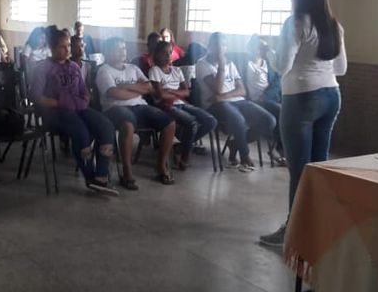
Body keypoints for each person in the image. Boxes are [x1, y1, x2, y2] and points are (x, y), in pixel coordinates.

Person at [259, 0, 347, 247]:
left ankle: (293, 231)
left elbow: (282, 66)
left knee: (299, 170)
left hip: (301, 99)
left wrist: (266, 51)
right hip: (331, 97)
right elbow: (341, 68)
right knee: (318, 167)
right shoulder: (334, 25)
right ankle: (316, 227)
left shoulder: (296, 22)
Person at [31, 29, 118, 195]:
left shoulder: (74, 67)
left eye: (69, 46)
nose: (67, 50)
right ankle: (90, 178)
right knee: (81, 131)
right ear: (52, 48)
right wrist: (59, 102)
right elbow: (35, 96)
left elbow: (84, 91)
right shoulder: (43, 68)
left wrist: (84, 99)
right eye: (62, 47)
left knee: (106, 126)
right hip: (54, 112)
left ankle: (101, 176)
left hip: (78, 108)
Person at [96, 37, 176, 189]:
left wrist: (126, 87)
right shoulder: (104, 70)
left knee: (169, 123)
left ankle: (160, 165)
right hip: (114, 109)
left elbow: (149, 87)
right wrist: (137, 89)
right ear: (108, 51)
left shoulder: (133, 68)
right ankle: (127, 171)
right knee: (128, 124)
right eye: (118, 49)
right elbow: (114, 94)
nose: (122, 51)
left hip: (139, 106)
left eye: (124, 48)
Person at [196, 32, 276, 172]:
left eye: (224, 45)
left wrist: (223, 96)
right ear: (210, 46)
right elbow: (218, 89)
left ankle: (235, 144)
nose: (221, 48)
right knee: (238, 119)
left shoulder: (231, 64)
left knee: (269, 121)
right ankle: (244, 155)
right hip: (215, 105)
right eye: (217, 45)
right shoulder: (202, 64)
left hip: (236, 101)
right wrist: (221, 66)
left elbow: (242, 90)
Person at [148, 41, 217, 170]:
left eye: (170, 53)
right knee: (192, 123)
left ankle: (182, 145)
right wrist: (177, 93)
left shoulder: (177, 70)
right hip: (165, 106)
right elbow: (161, 95)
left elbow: (187, 92)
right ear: (157, 54)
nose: (168, 56)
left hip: (181, 103)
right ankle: (185, 157)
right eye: (164, 53)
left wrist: (170, 91)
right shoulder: (155, 71)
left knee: (211, 120)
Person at [244, 35, 286, 167]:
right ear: (252, 48)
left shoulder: (269, 63)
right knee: (280, 112)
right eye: (260, 47)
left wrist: (266, 95)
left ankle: (279, 148)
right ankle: (280, 150)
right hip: (251, 100)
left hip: (269, 98)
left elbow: (278, 81)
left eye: (265, 47)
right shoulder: (244, 64)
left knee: (285, 113)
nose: (263, 49)